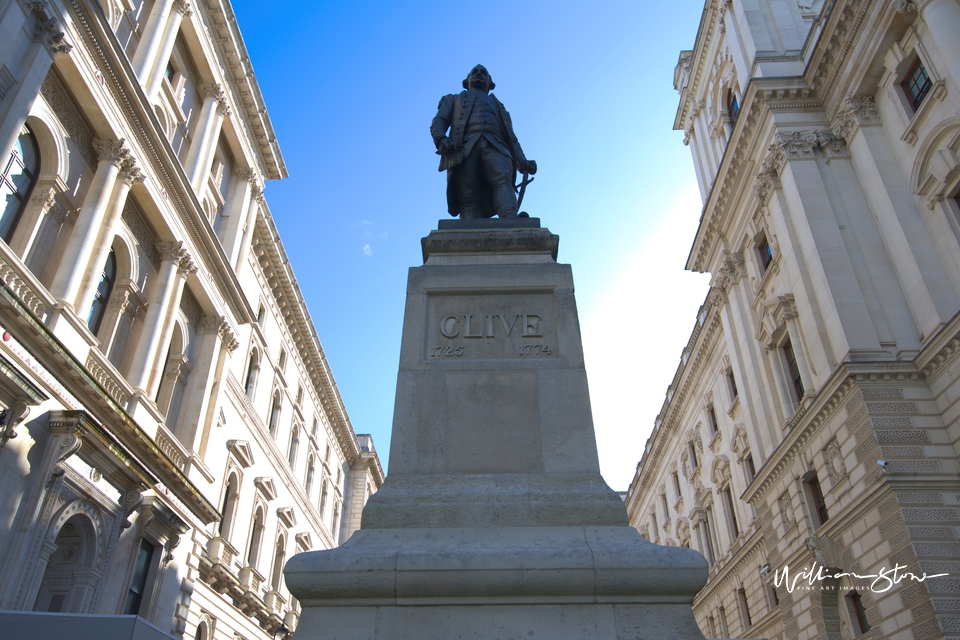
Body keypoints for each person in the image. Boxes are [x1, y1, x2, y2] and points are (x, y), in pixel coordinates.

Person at [430, 65, 537, 219]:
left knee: (503, 180)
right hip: (464, 149)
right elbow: (439, 120)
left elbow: (511, 138)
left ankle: (510, 218)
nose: (479, 74)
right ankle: (468, 231)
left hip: (497, 146)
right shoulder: (453, 99)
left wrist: (522, 161)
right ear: (466, 81)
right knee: (468, 194)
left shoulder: (501, 109)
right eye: (475, 72)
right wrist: (441, 139)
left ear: (490, 83)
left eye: (484, 73)